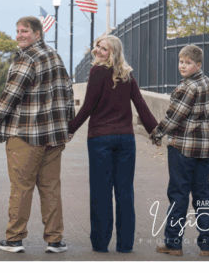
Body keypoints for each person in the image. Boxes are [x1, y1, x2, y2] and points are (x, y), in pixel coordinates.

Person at [0, 16, 74, 254]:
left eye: (24, 31)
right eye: (17, 31)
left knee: (21, 187)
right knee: (51, 188)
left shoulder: (27, 58)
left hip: (25, 136)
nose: (19, 35)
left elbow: (10, 95)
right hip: (53, 137)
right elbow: (67, 91)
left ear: (37, 34)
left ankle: (14, 238)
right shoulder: (55, 56)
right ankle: (55, 239)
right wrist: (67, 127)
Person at [68, 35, 158, 253]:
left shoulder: (97, 72)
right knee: (125, 192)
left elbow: (88, 106)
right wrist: (154, 131)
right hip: (126, 140)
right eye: (98, 46)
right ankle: (125, 245)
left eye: (104, 49)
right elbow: (141, 104)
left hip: (100, 140)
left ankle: (100, 244)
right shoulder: (127, 74)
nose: (98, 51)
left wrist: (70, 129)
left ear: (114, 53)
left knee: (101, 192)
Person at [149, 45, 209, 257]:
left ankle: (173, 243)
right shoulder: (208, 83)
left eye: (188, 63)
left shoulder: (187, 87)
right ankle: (207, 245)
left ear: (198, 64)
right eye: (181, 61)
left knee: (178, 194)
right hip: (204, 150)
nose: (183, 66)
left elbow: (174, 117)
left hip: (183, 148)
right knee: (203, 196)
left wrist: (157, 134)